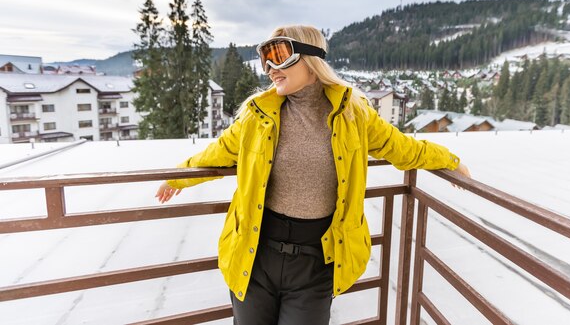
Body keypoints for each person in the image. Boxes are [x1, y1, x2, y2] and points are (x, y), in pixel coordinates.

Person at [155, 25, 471, 325]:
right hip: (255, 255)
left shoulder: (353, 114)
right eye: (265, 60)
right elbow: (218, 152)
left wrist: (450, 159)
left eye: (278, 56)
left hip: (317, 261)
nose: (270, 68)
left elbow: (401, 148)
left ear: (310, 60)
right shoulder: (258, 115)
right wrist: (177, 177)